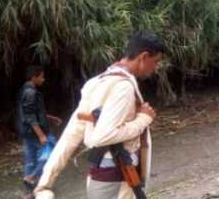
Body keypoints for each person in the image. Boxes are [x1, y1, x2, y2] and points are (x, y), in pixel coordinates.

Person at [35, 32, 162, 199]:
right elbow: (102, 137)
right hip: (117, 180)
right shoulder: (123, 87)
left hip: (101, 177)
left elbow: (71, 135)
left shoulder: (96, 82)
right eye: (156, 62)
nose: (155, 67)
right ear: (144, 57)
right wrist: (143, 119)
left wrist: (45, 181)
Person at [17, 66, 62, 198]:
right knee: (52, 153)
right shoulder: (31, 93)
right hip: (36, 132)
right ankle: (33, 177)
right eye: (41, 76)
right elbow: (30, 116)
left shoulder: (25, 90)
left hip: (27, 131)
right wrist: (41, 135)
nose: (43, 79)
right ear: (34, 77)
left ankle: (30, 191)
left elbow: (31, 112)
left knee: (31, 159)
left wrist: (51, 117)